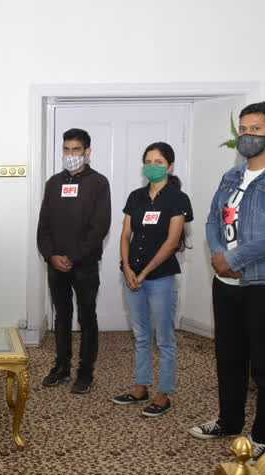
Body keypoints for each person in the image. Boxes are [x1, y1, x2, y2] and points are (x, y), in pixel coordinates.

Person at [190, 101, 265, 462]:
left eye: (255, 129)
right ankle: (229, 421)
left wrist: (235, 258)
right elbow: (214, 219)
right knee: (228, 357)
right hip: (225, 283)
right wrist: (218, 255)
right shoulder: (231, 176)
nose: (247, 136)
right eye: (243, 129)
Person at [112, 142, 192, 417]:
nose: (152, 166)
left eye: (159, 162)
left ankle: (163, 393)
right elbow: (125, 235)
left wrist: (144, 273)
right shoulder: (136, 196)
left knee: (165, 338)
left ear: (169, 166)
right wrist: (126, 267)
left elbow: (171, 242)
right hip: (131, 274)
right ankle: (140, 387)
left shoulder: (178, 199)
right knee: (141, 336)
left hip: (160, 277)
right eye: (148, 161)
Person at [36, 128, 111, 393]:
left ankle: (85, 371)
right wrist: (51, 255)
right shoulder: (54, 183)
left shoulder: (99, 183)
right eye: (66, 149)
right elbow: (43, 225)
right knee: (62, 315)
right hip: (56, 264)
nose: (71, 154)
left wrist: (74, 257)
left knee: (87, 316)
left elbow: (100, 227)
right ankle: (61, 366)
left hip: (85, 264)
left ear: (87, 152)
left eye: (76, 149)